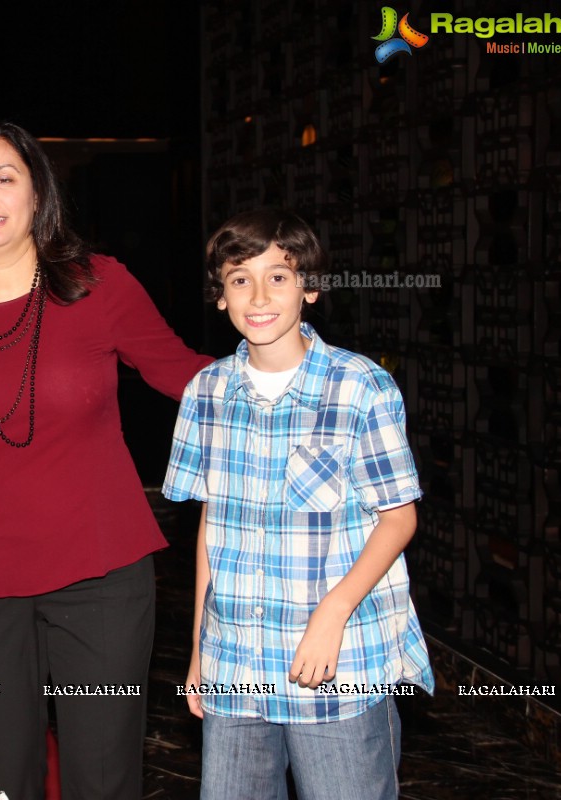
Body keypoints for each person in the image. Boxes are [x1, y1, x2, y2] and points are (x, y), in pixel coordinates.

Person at [0, 121, 213, 800]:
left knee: (102, 778)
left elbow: (186, 377)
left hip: (101, 578)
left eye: (5, 177)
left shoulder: (98, 285)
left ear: (37, 192)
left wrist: (289, 374)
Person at [163, 209, 434, 800]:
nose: (259, 295)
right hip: (236, 659)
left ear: (309, 288)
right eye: (240, 279)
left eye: (278, 277)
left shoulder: (359, 386)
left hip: (338, 663)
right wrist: (199, 653)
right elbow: (213, 527)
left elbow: (399, 516)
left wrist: (332, 614)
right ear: (220, 297)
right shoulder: (206, 393)